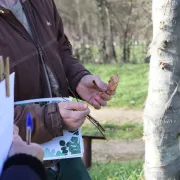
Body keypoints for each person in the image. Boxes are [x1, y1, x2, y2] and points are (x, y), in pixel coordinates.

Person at [0, 0, 116, 180]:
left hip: (63, 150)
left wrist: (78, 78)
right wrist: (52, 117)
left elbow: (60, 49)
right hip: (15, 165)